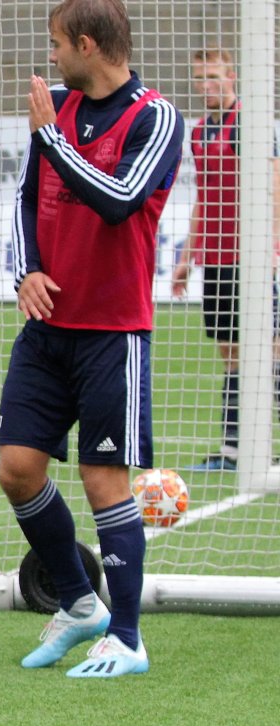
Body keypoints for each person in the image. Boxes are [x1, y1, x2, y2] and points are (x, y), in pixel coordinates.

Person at [3, 0, 183, 677]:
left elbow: (119, 199)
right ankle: (80, 604)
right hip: (47, 330)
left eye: (57, 46)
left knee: (104, 478)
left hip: (113, 333)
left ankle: (129, 638)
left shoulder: (156, 117)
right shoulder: (57, 107)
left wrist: (53, 140)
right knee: (17, 470)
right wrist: (26, 271)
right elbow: (27, 197)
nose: (52, 58)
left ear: (86, 44)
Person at [169, 48, 280, 471]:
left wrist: (270, 247)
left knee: (271, 350)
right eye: (200, 78)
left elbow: (273, 182)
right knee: (231, 353)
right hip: (216, 259)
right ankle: (234, 449)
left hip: (252, 257)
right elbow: (205, 197)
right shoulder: (198, 132)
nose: (206, 86)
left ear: (232, 76)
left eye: (213, 77)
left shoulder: (247, 124)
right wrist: (185, 256)